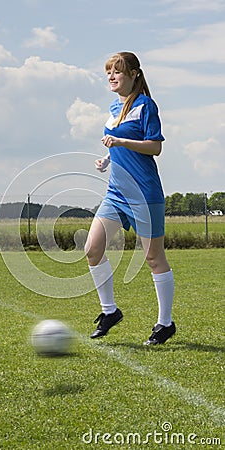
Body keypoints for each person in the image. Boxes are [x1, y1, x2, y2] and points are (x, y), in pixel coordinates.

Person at [85, 51, 175, 345]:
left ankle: (165, 324)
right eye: (108, 72)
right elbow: (119, 146)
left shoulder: (146, 105)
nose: (111, 76)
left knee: (153, 257)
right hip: (116, 193)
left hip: (144, 193)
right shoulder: (114, 106)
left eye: (118, 71)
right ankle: (109, 311)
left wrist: (120, 141)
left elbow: (154, 147)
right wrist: (107, 159)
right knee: (92, 249)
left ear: (134, 74)